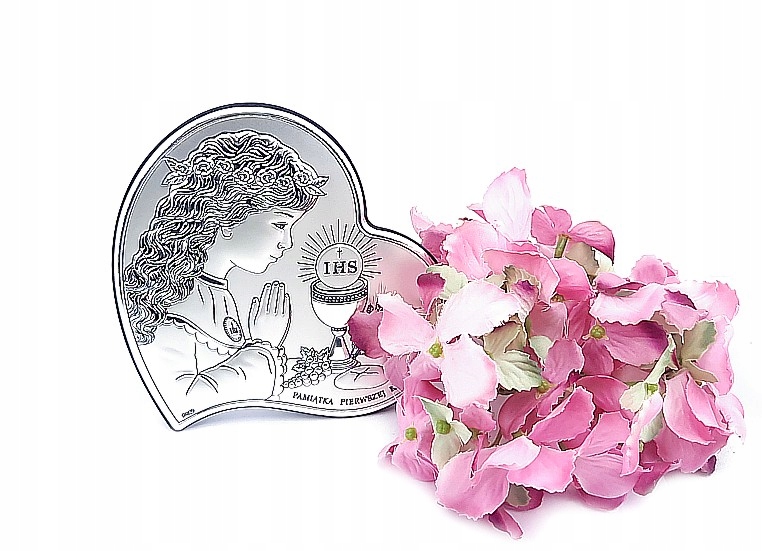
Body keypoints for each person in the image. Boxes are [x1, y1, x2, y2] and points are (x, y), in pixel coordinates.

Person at [122, 129, 326, 419]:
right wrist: (262, 345)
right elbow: (182, 401)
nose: (287, 243)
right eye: (280, 225)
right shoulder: (171, 295)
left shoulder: (214, 290)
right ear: (228, 217)